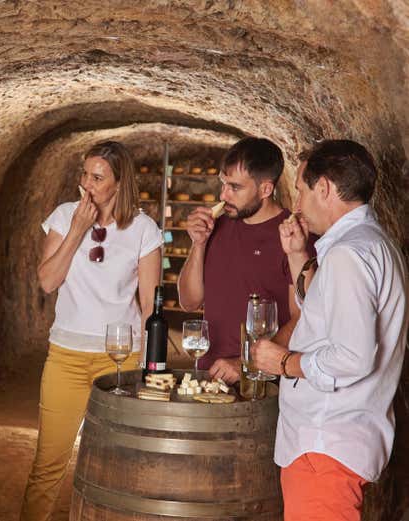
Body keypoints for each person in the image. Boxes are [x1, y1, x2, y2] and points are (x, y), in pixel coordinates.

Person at [252, 139, 407, 520]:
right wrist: (298, 256)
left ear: (324, 188)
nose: (298, 204)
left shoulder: (347, 255)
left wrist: (283, 361)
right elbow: (326, 314)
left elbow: (352, 357)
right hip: (335, 443)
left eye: (302, 191)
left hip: (325, 447)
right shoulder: (372, 244)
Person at [20, 141, 162, 521]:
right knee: (47, 466)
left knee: (117, 467)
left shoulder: (144, 229)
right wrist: (78, 229)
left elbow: (151, 308)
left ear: (119, 183)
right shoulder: (65, 216)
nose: (86, 183)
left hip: (120, 360)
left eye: (97, 177)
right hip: (65, 357)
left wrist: (150, 370)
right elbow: (47, 281)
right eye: (84, 174)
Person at [177, 137, 307, 383]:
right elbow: (189, 302)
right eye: (223, 183)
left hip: (261, 382)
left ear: (266, 189)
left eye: (235, 187)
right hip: (208, 374)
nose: (223, 195)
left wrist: (245, 363)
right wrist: (198, 243)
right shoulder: (215, 227)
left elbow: (301, 319)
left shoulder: (294, 235)